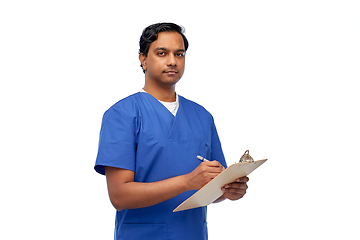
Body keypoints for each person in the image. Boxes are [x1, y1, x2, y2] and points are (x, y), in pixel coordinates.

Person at [94, 22, 249, 240]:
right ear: (143, 59)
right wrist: (187, 182)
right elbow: (119, 196)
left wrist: (229, 191)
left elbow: (212, 188)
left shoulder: (202, 116)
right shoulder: (122, 114)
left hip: (193, 234)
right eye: (161, 53)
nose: (172, 61)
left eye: (179, 54)